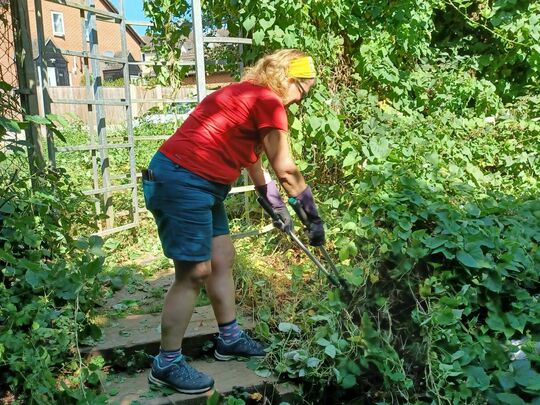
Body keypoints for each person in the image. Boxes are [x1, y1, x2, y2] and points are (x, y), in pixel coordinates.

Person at [142, 48, 325, 394]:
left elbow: (252, 158)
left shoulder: (246, 94)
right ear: (288, 79)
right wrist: (311, 215)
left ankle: (229, 339)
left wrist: (271, 201)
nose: (300, 101)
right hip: (183, 180)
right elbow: (285, 168)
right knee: (194, 272)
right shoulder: (268, 101)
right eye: (303, 91)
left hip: (201, 183)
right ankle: (166, 364)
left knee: (222, 257)